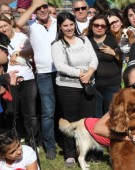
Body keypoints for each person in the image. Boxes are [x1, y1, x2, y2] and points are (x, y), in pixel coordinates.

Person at [51, 11, 98, 167]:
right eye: (65, 25)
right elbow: (60, 65)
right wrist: (80, 73)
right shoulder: (57, 45)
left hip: (88, 84)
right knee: (70, 120)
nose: (69, 28)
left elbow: (94, 58)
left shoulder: (84, 40)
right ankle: (70, 154)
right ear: (60, 27)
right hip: (67, 86)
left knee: (87, 121)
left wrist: (89, 72)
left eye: (71, 24)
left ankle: (86, 152)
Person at [16, 0, 57, 159]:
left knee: (65, 109)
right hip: (44, 74)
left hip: (62, 72)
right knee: (47, 112)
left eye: (44, 6)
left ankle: (68, 145)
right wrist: (34, 5)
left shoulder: (56, 21)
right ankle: (50, 145)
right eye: (38, 8)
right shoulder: (31, 25)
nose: (42, 10)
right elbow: (19, 23)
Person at [0, 14, 38, 148]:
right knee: (13, 113)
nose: (3, 29)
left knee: (30, 113)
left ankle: (32, 140)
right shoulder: (1, 41)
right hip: (9, 81)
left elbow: (30, 52)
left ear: (10, 24)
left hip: (28, 79)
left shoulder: (22, 37)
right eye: (0, 27)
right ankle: (15, 139)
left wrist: (17, 54)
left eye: (5, 25)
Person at [86, 15, 121, 118]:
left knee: (111, 115)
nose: (99, 28)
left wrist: (113, 52)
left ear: (106, 28)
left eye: (102, 26)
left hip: (111, 85)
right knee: (96, 116)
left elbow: (122, 58)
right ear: (91, 26)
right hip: (94, 85)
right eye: (96, 25)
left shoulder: (112, 40)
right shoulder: (86, 41)